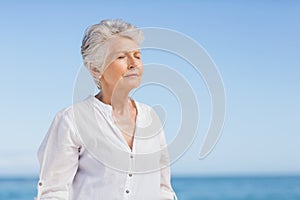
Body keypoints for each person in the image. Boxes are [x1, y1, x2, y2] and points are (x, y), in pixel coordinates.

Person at [35, 19, 177, 200]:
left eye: (137, 55)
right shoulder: (71, 120)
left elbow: (163, 188)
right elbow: (53, 192)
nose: (133, 63)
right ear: (95, 68)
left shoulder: (151, 117)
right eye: (121, 57)